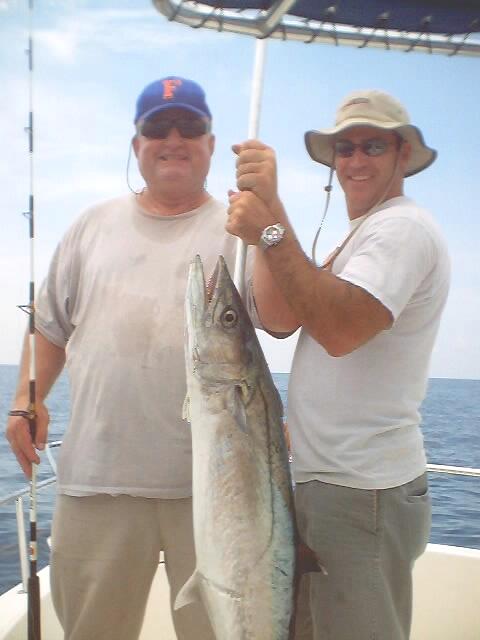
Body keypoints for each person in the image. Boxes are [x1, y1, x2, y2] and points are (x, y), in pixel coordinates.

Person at [5, 76, 242, 640]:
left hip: (216, 490)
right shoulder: (91, 226)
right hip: (97, 480)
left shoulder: (240, 231)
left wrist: (270, 222)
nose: (173, 139)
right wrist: (26, 398)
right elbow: (48, 325)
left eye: (190, 127)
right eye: (157, 128)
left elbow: (280, 320)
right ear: (136, 145)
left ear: (211, 144)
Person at [226, 89, 450, 640]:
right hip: (324, 485)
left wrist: (269, 230)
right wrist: (270, 204)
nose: (355, 160)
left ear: (403, 154)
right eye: (345, 148)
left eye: (373, 146)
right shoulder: (361, 236)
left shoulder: (403, 229)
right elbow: (280, 317)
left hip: (361, 494)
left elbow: (340, 328)